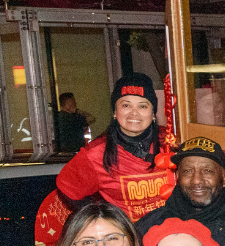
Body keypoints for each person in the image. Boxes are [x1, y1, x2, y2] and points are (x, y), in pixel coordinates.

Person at [57, 73, 175, 222]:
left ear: (153, 113)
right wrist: (105, 220)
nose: (134, 112)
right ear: (115, 112)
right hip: (130, 240)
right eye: (126, 105)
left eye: (143, 106)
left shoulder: (171, 141)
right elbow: (67, 188)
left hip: (171, 237)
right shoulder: (96, 153)